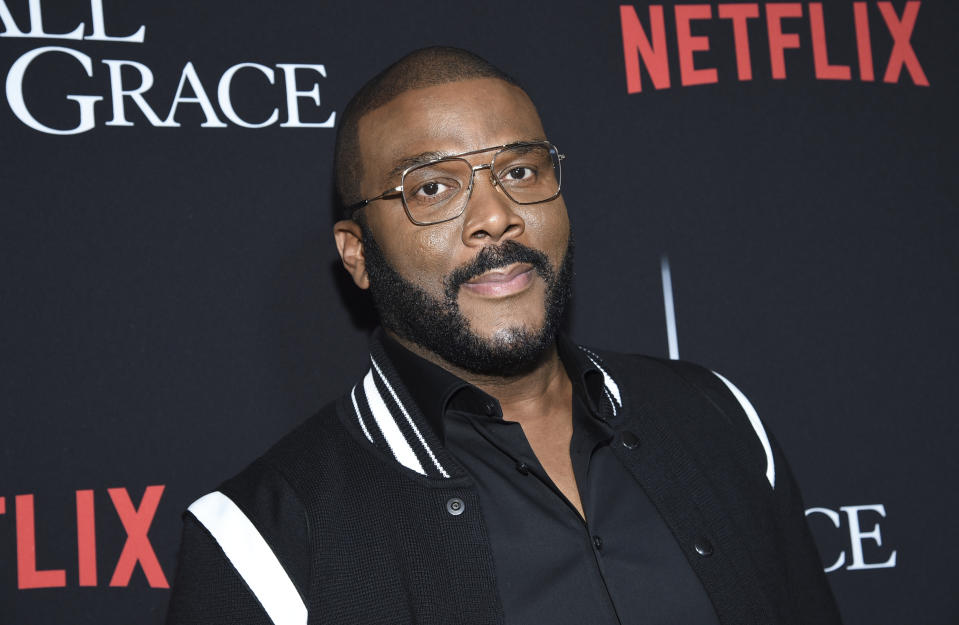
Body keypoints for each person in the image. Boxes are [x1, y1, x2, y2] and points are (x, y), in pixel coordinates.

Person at [165, 46, 842, 625]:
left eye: (520, 172)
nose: (495, 216)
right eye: (431, 188)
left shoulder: (716, 416)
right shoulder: (265, 540)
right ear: (357, 254)